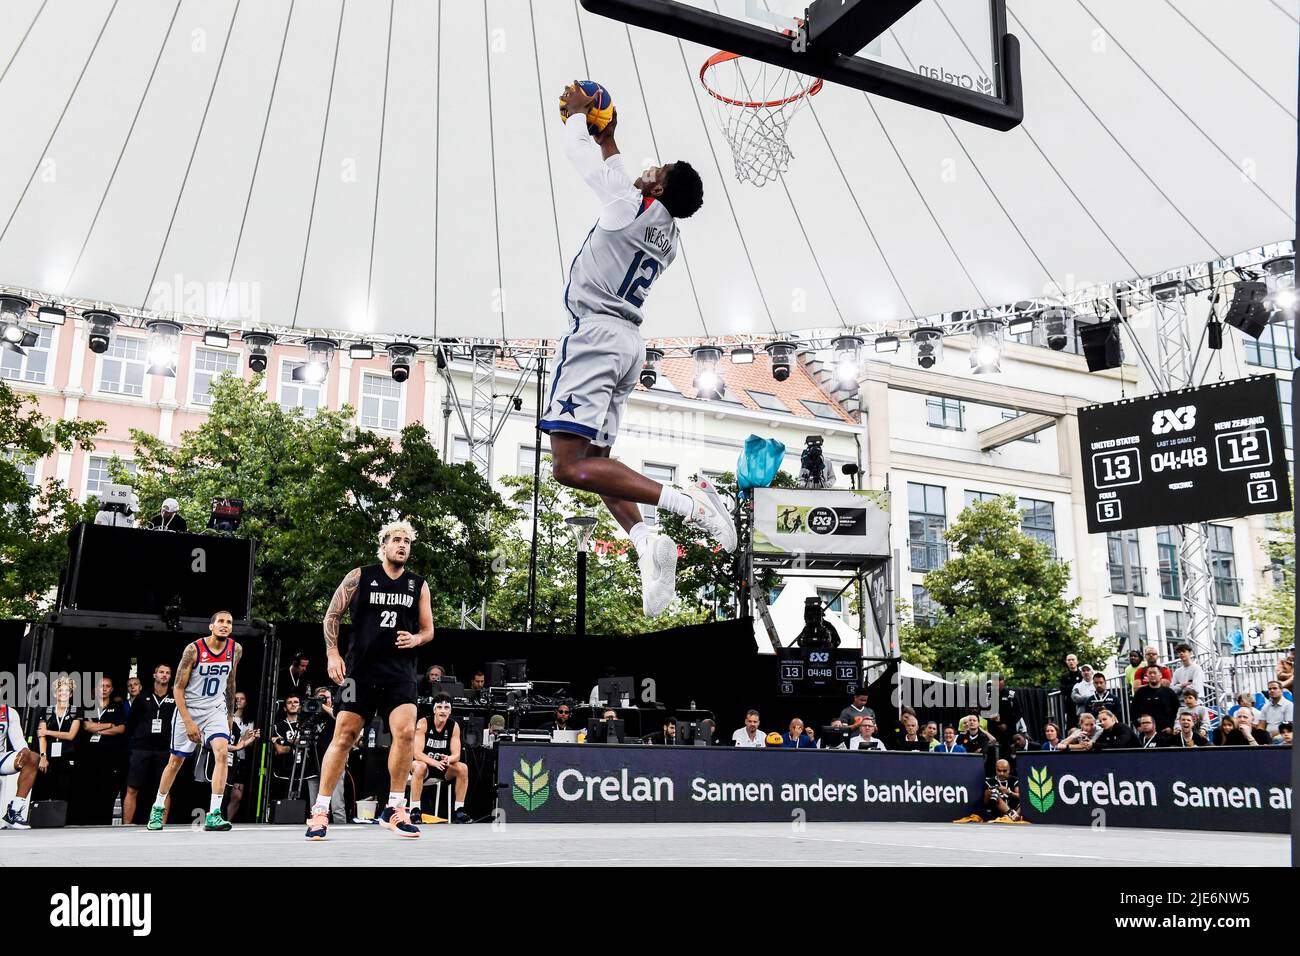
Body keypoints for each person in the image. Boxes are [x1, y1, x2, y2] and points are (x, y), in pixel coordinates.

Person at [544, 82, 722, 622]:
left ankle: (685, 505)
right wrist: (611, 137)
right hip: (627, 346)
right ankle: (646, 540)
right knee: (597, 464)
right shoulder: (665, 232)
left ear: (660, 185)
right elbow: (620, 179)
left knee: (569, 469)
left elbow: (582, 157)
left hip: (596, 337)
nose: (650, 168)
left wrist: (580, 118)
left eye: (658, 169)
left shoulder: (627, 204)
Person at [309, 519, 434, 840]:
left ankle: (394, 806)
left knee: (406, 733)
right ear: (383, 546)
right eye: (396, 539)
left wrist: (417, 640)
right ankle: (320, 810)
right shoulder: (359, 576)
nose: (402, 544)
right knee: (344, 737)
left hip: (400, 673)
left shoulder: (417, 584)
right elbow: (332, 615)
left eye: (407, 540)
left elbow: (428, 630)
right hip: (360, 672)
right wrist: (332, 654)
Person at [147, 610, 242, 831]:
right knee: (175, 762)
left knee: (222, 751)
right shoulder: (194, 649)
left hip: (215, 708)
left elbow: (231, 682)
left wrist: (229, 715)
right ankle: (157, 806)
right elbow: (178, 688)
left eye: (229, 622)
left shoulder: (235, 649)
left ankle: (214, 813)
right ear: (211, 626)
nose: (225, 625)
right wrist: (189, 722)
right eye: (220, 621)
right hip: (188, 708)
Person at [123, 663, 174, 825]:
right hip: (141, 749)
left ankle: (162, 824)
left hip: (165, 750)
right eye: (161, 672)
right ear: (154, 675)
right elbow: (130, 724)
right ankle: (126, 825)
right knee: (132, 788)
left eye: (167, 673)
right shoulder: (142, 697)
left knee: (164, 790)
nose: (164, 675)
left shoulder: (175, 698)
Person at [74, 676, 127, 825]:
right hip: (88, 758)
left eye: (107, 686)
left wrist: (98, 729)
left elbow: (121, 729)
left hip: (110, 758)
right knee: (88, 792)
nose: (104, 689)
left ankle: (103, 824)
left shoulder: (117, 707)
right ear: (95, 689)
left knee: (107, 794)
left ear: (111, 689)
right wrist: (109, 725)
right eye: (101, 686)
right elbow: (86, 726)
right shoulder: (87, 706)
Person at [410, 693, 469, 824]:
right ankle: (415, 810)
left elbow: (457, 755)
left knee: (462, 768)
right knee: (420, 765)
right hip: (424, 766)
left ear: (450, 710)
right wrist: (434, 762)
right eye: (440, 707)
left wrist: (449, 758)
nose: (443, 710)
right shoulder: (423, 723)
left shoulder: (454, 726)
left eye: (446, 707)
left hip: (442, 767)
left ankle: (459, 810)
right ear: (434, 710)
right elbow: (417, 753)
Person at [36, 676, 81, 804]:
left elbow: (71, 735)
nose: (63, 693)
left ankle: (62, 821)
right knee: (46, 789)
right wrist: (43, 756)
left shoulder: (75, 711)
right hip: (49, 756)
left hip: (67, 756)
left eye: (67, 690)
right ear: (55, 693)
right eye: (60, 690)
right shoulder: (47, 711)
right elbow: (41, 736)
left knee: (64, 789)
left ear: (71, 694)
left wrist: (48, 731)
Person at [0, 702, 39, 828]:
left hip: (0, 757)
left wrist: (24, 750)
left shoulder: (8, 712)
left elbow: (18, 741)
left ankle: (14, 811)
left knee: (32, 757)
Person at [226, 691, 259, 822]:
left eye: (242, 699)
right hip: (226, 758)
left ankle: (228, 820)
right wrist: (242, 739)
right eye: (236, 699)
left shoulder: (250, 721)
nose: (238, 701)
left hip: (241, 759)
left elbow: (249, 743)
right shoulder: (227, 718)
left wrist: (248, 740)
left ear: (246, 702)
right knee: (224, 792)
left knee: (237, 795)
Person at [1131, 666, 1179, 733]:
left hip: (1166, 732)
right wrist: (1138, 726)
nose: (1152, 675)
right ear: (1147, 676)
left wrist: (1171, 727)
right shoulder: (1140, 692)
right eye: (1150, 673)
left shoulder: (1169, 692)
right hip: (1146, 733)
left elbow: (1177, 711)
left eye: (1154, 673)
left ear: (1160, 675)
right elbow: (1133, 711)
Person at [1059, 654, 1085, 727]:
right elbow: (1063, 689)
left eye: (1073, 659)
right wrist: (1075, 686)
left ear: (1077, 661)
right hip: (1070, 704)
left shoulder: (1082, 674)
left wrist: (1070, 687)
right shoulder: (1064, 676)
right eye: (1069, 660)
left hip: (1081, 703)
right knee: (1071, 726)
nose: (1071, 662)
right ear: (1066, 662)